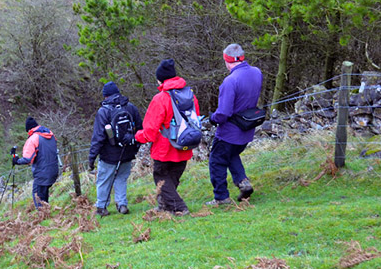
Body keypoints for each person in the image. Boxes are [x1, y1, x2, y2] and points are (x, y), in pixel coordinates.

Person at [135, 59, 199, 216]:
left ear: (160, 79)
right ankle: (164, 207)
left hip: (164, 149)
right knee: (172, 178)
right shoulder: (191, 96)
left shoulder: (160, 99)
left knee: (162, 180)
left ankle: (180, 207)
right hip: (185, 144)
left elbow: (150, 131)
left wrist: (137, 136)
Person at [206, 44, 263, 205]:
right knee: (231, 155)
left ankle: (221, 197)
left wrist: (213, 118)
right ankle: (243, 183)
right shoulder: (256, 73)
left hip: (229, 133)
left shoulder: (230, 81)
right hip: (247, 130)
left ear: (227, 60)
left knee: (216, 161)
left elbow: (223, 113)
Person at [88, 81, 143, 217]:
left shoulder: (104, 111)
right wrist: (135, 147)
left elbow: (98, 137)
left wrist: (92, 157)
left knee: (104, 180)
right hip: (127, 152)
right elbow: (141, 130)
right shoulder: (131, 107)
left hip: (109, 155)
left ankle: (101, 207)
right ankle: (122, 204)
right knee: (121, 178)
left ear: (105, 96)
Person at [13, 116, 59, 208]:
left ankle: (42, 217)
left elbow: (27, 159)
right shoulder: (50, 134)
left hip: (42, 174)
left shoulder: (33, 139)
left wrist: (17, 161)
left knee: (37, 197)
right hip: (53, 171)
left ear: (28, 129)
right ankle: (47, 214)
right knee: (44, 196)